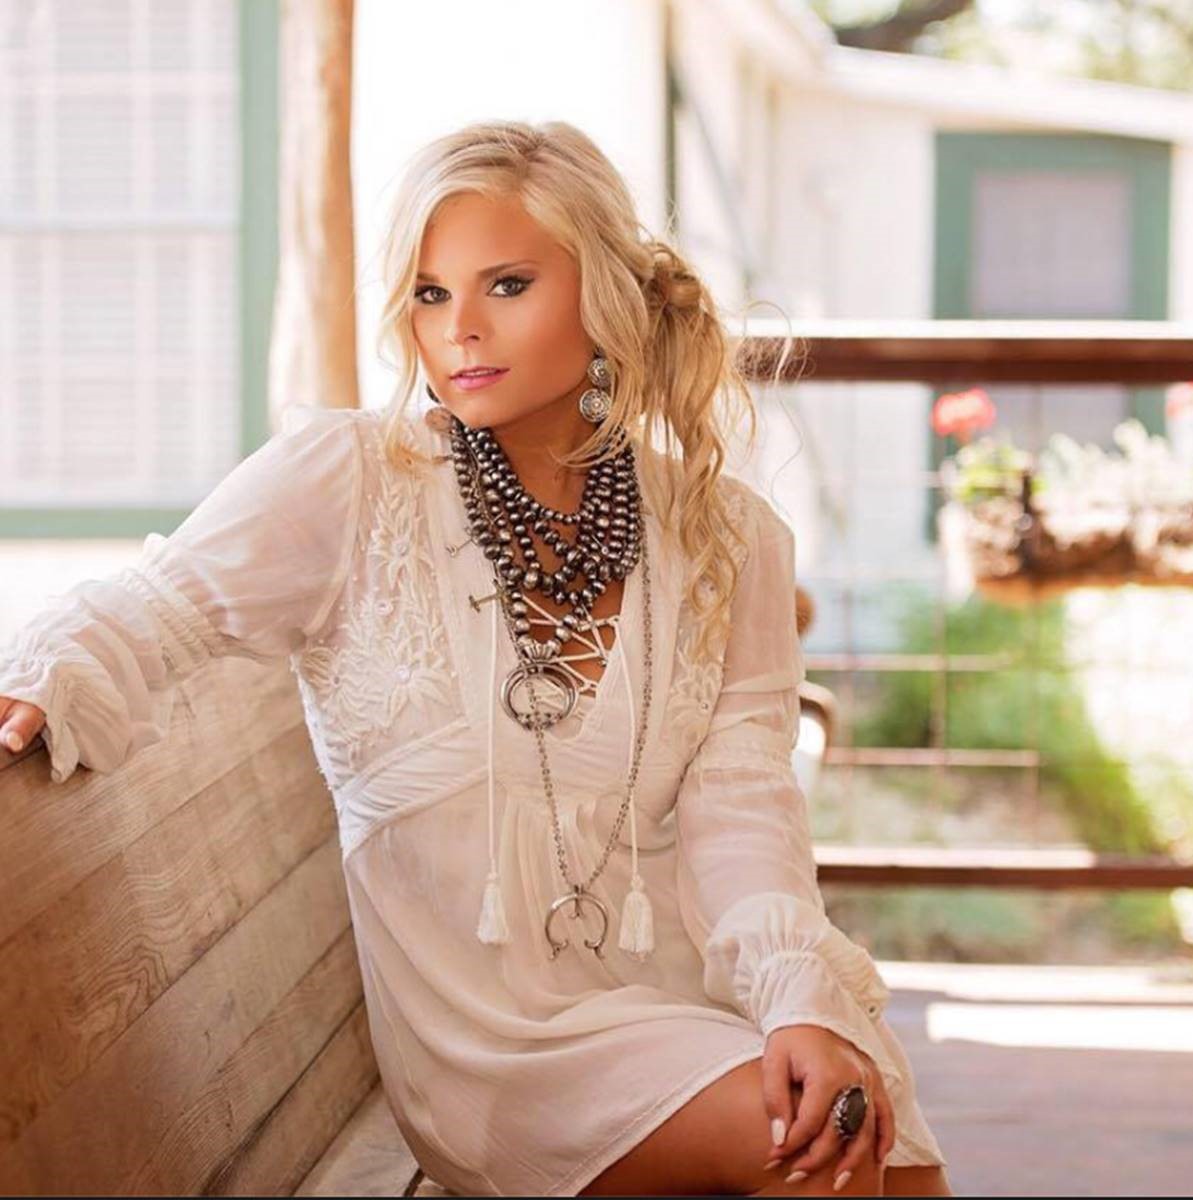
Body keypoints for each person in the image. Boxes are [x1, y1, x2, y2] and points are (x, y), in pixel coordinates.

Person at [0, 120, 951, 1198]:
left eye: (506, 284)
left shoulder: (725, 534)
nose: (459, 329)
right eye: (428, 293)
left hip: (687, 997)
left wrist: (791, 998)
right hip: (494, 1052)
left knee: (867, 1134)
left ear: (602, 293)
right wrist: (46, 671)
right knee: (804, 1142)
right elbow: (159, 608)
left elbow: (743, 806)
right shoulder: (351, 480)